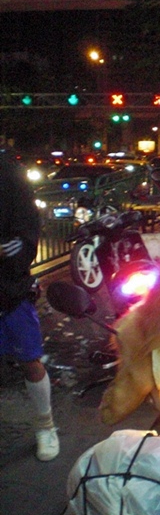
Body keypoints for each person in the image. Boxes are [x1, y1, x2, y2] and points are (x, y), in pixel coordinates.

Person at [0, 151, 59, 462]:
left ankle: (45, 426)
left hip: (9, 290)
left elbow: (25, 231)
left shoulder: (9, 173)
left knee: (30, 360)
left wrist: (13, 250)